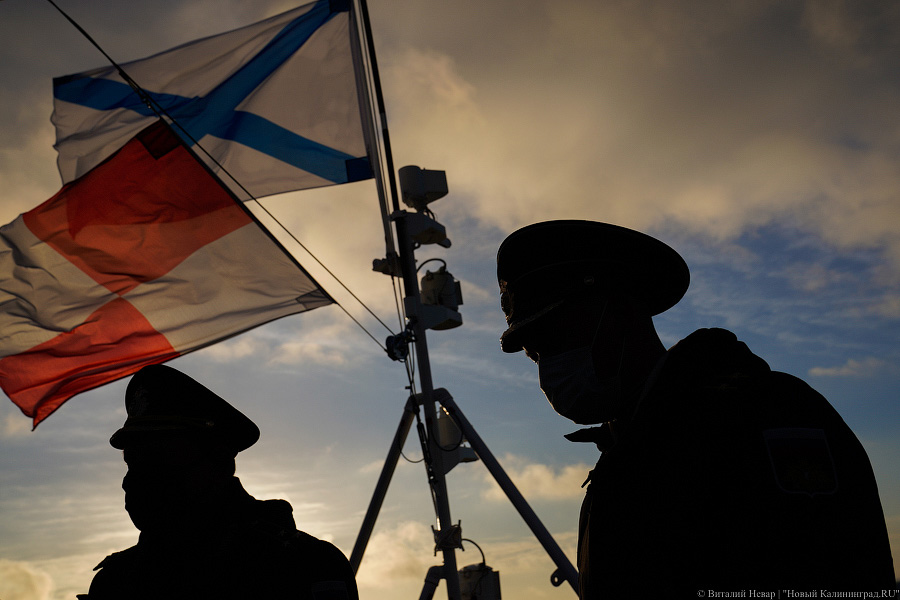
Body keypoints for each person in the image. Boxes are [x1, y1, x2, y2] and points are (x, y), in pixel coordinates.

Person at [496, 220, 895, 597]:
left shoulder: (769, 417)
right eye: (535, 355)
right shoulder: (627, 451)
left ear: (620, 313)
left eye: (554, 341)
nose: (548, 368)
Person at [79, 364, 359, 600]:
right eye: (133, 463)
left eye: (159, 459)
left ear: (219, 461)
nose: (136, 478)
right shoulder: (117, 581)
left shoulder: (304, 566)